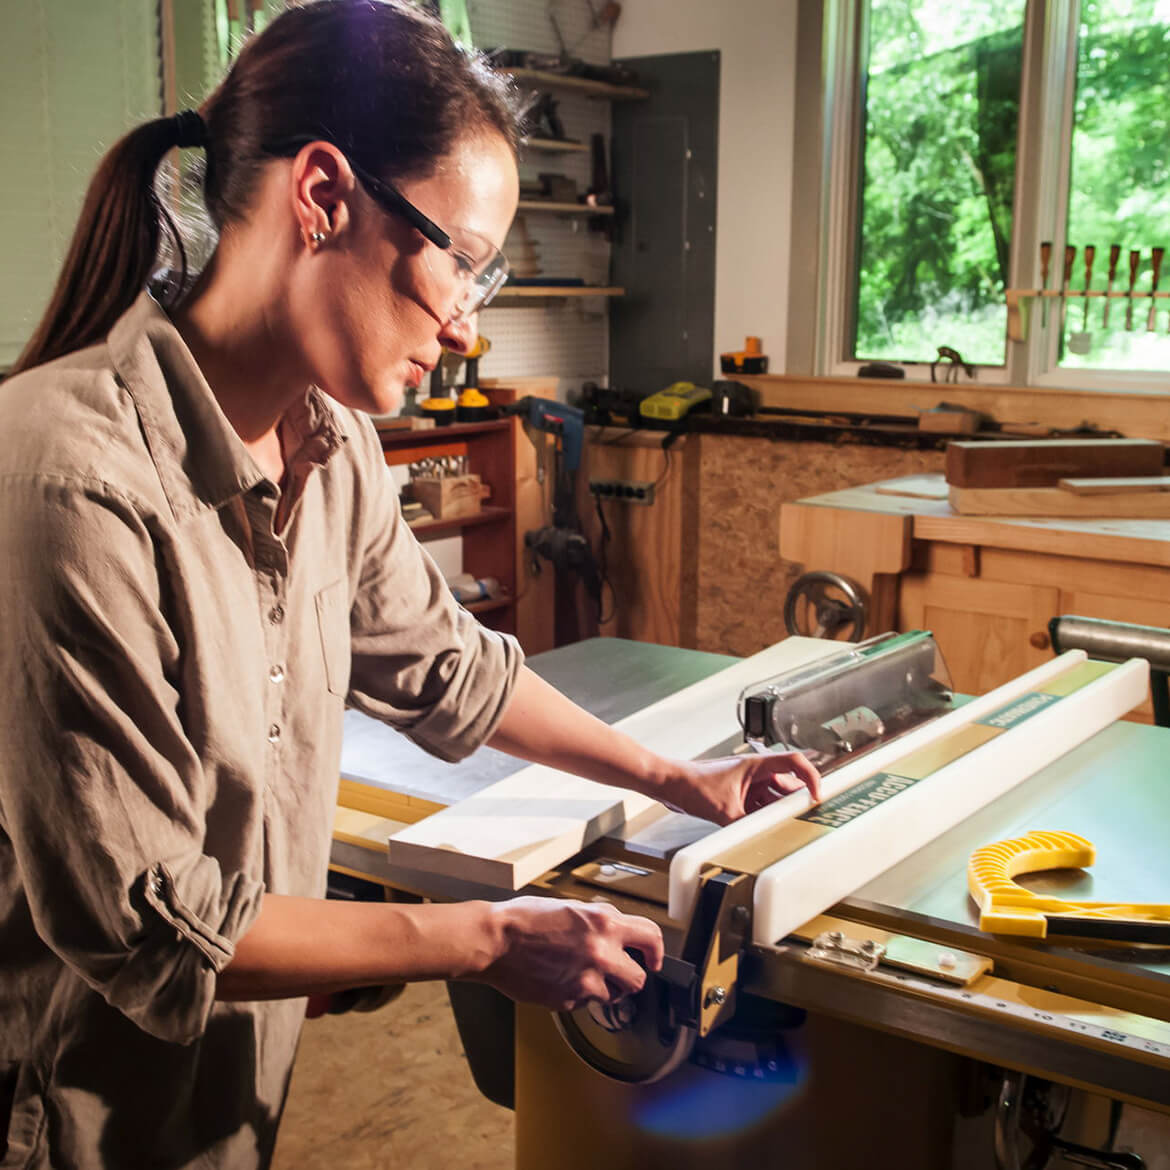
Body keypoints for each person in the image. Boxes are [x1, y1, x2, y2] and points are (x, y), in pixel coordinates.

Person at [0, 3, 819, 1167]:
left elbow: (452, 671)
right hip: (57, 1115)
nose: (470, 329)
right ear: (324, 197)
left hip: (222, 1103)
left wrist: (681, 780)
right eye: (461, 263)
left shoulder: (328, 448)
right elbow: (153, 924)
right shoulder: (69, 476)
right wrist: (486, 940)